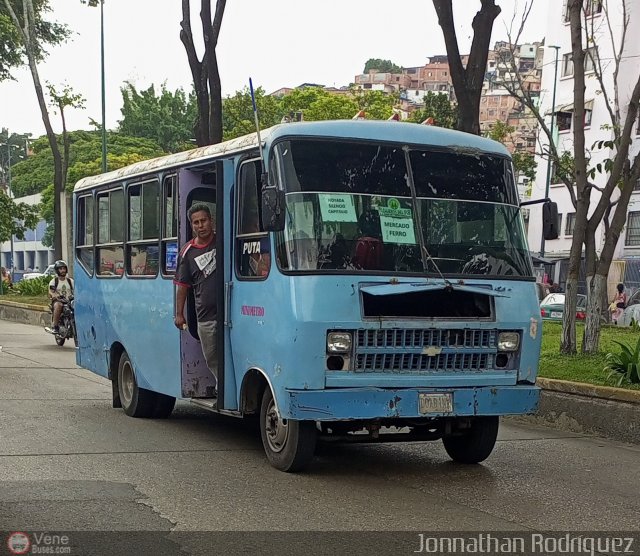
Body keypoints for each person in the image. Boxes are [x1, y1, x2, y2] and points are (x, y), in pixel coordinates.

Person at [173, 204, 218, 391]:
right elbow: (182, 287)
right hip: (205, 317)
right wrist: (179, 314)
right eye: (196, 222)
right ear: (192, 226)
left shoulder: (223, 241)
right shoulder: (187, 252)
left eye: (204, 221)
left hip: (230, 315)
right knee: (212, 357)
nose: (201, 225)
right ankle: (220, 384)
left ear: (211, 221)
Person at [48, 260, 74, 333]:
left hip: (69, 301)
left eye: (64, 268)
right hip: (58, 301)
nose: (63, 270)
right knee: (59, 305)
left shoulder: (70, 281)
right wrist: (55, 296)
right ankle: (55, 326)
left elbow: (76, 291)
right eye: (60, 269)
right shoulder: (54, 281)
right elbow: (51, 292)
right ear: (57, 270)